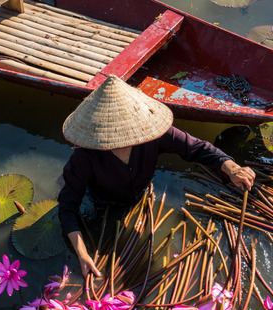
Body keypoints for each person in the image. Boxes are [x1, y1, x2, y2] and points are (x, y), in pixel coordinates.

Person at [57, 75, 255, 278]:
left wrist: (230, 167)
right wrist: (82, 253)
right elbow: (67, 206)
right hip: (103, 201)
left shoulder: (151, 134)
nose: (124, 138)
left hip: (140, 194)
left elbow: (196, 147)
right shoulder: (85, 156)